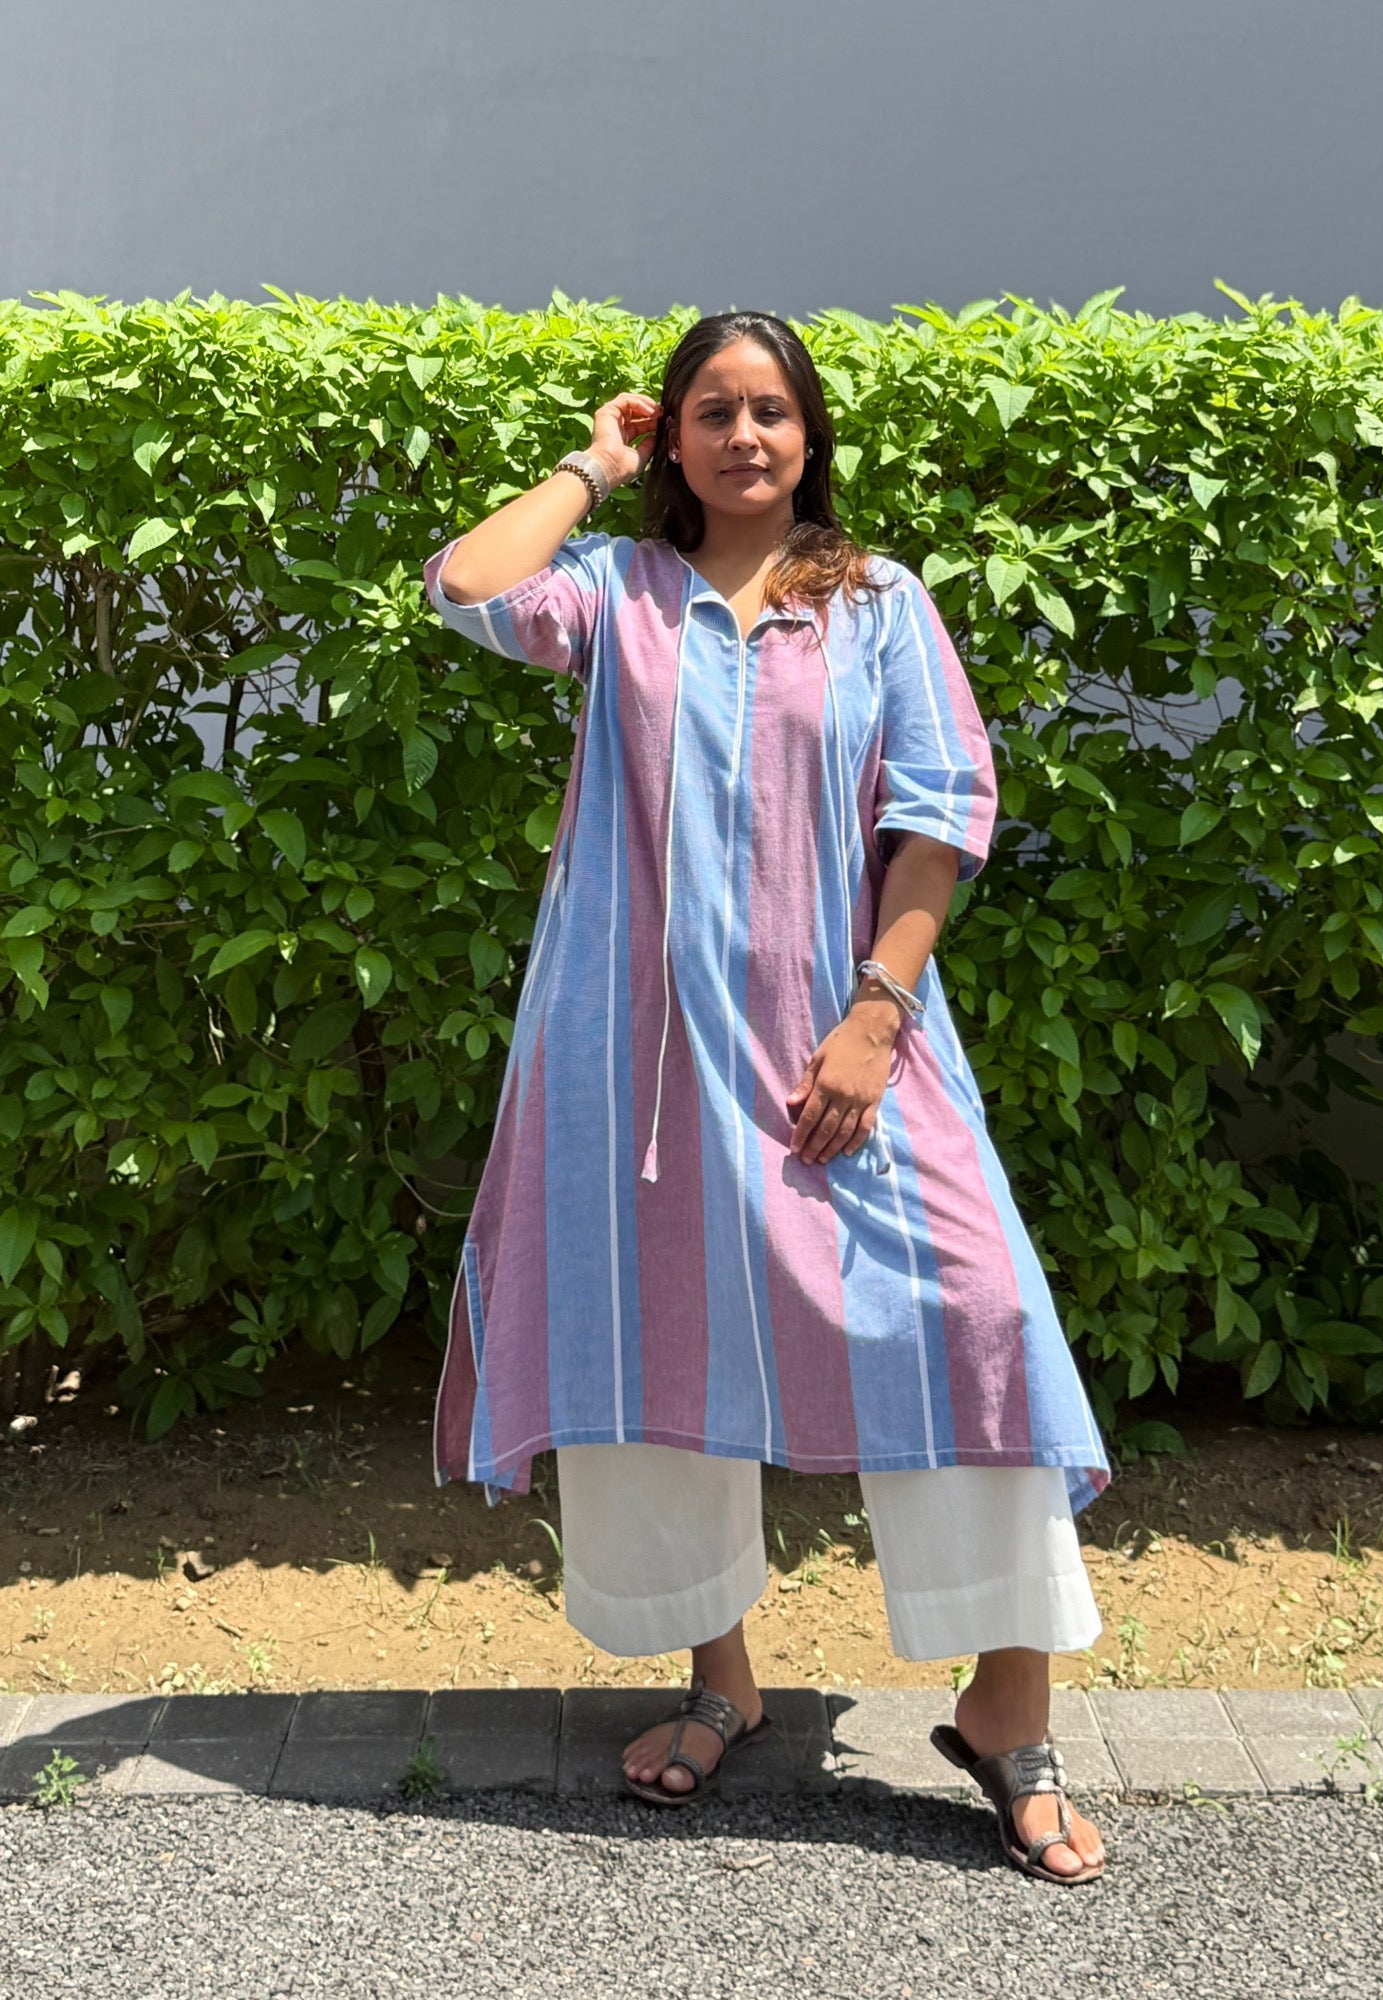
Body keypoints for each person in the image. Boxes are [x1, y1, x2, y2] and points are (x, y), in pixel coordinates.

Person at [423, 310, 1111, 1884]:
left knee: (977, 1314)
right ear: (673, 437)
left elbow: (940, 812)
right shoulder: (617, 593)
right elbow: (466, 587)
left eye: (772, 411)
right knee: (663, 1337)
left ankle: (1008, 1716)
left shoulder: (877, 603)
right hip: (638, 1059)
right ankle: (721, 1681)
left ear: (810, 438)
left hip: (843, 1049)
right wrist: (588, 469)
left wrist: (878, 1014)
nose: (745, 435)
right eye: (711, 412)